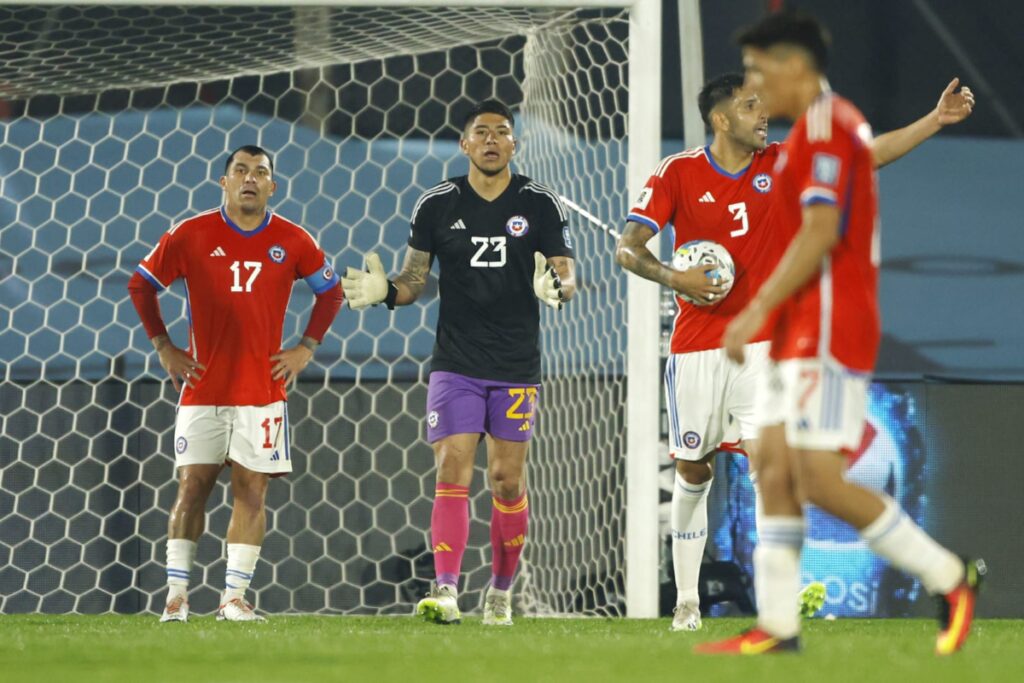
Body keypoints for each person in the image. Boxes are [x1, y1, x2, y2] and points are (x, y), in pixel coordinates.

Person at [616, 66, 975, 632]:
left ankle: (777, 604)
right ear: (720, 118)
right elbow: (628, 250)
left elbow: (868, 157)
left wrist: (934, 119)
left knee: (771, 470)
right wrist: (677, 278)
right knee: (692, 469)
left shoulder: (780, 162)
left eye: (764, 104)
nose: (763, 115)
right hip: (697, 347)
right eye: (750, 106)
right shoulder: (677, 173)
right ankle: (686, 600)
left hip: (763, 346)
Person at [695, 11, 983, 655]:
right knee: (769, 464)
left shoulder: (829, 126)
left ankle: (950, 577)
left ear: (794, 66)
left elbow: (822, 233)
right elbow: (870, 157)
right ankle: (778, 624)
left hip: (828, 332)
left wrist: (752, 309)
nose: (754, 83)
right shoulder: (809, 138)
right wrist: (934, 121)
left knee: (819, 479)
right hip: (793, 328)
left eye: (759, 69)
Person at [341, 100, 576, 626]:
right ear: (465, 144)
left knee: (506, 482)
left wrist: (556, 288)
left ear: (514, 144)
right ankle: (445, 590)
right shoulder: (437, 203)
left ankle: (500, 591)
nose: (492, 139)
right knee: (452, 466)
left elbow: (567, 276)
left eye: (502, 132)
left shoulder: (540, 203)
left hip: (516, 364)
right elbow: (414, 280)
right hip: (456, 361)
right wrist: (386, 292)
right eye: (481, 132)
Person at [127, 145, 343, 623]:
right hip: (202, 387)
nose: (250, 178)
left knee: (252, 492)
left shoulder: (294, 239)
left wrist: (306, 347)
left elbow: (331, 292)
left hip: (262, 392)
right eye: (240, 171)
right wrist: (163, 346)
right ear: (223, 183)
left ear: (273, 186)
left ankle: (232, 600)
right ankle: (176, 598)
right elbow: (141, 285)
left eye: (260, 172)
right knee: (192, 487)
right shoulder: (191, 233)